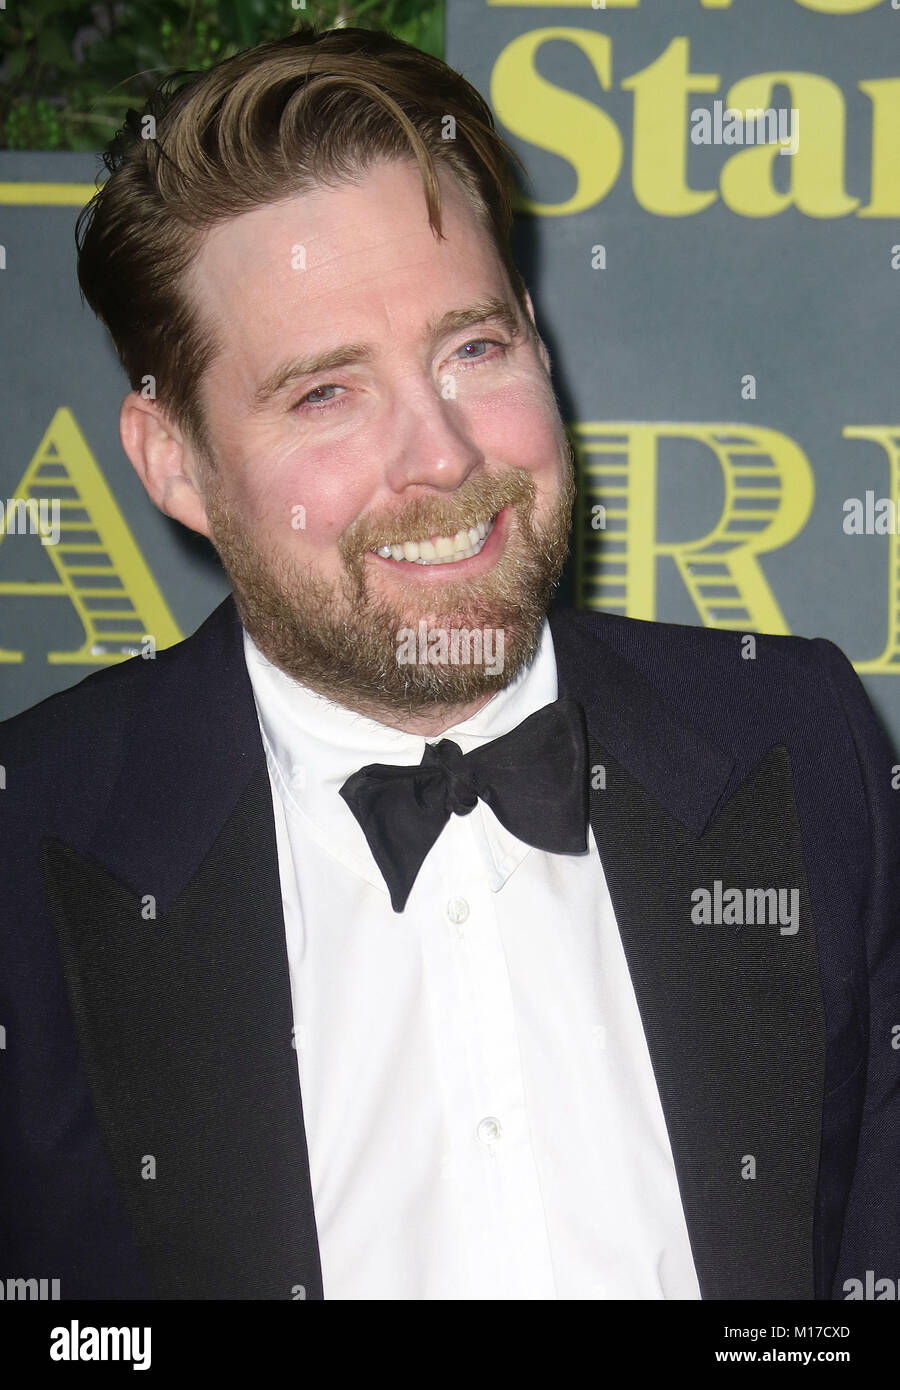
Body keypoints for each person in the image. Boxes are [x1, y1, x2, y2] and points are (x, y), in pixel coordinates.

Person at [2, 24, 898, 1302]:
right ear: (174, 462)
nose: (442, 456)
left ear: (536, 335)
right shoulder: (31, 838)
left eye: (473, 349)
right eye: (326, 394)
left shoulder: (802, 741)